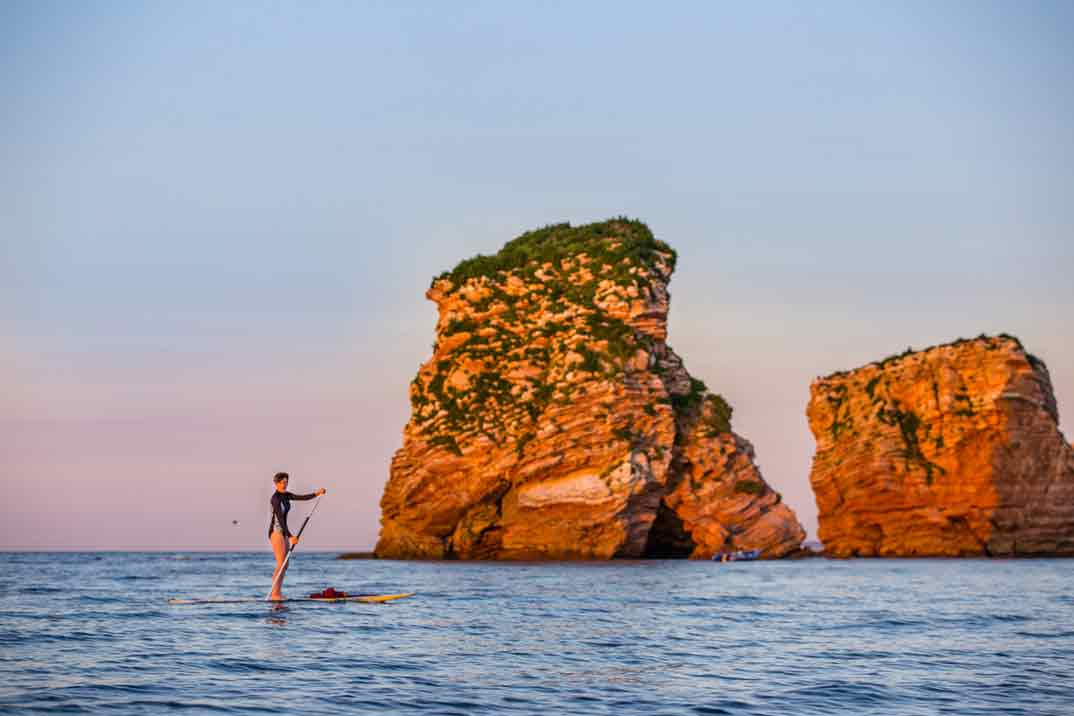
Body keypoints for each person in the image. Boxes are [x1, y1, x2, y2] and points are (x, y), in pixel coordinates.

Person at [268, 472, 326, 600]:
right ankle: (275, 594)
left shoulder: (286, 495)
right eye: (282, 482)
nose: (285, 484)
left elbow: (302, 498)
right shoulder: (275, 499)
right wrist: (290, 536)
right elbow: (280, 519)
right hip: (276, 532)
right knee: (281, 563)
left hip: (284, 532)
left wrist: (317, 494)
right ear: (276, 483)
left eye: (286, 482)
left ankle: (277, 592)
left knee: (285, 564)